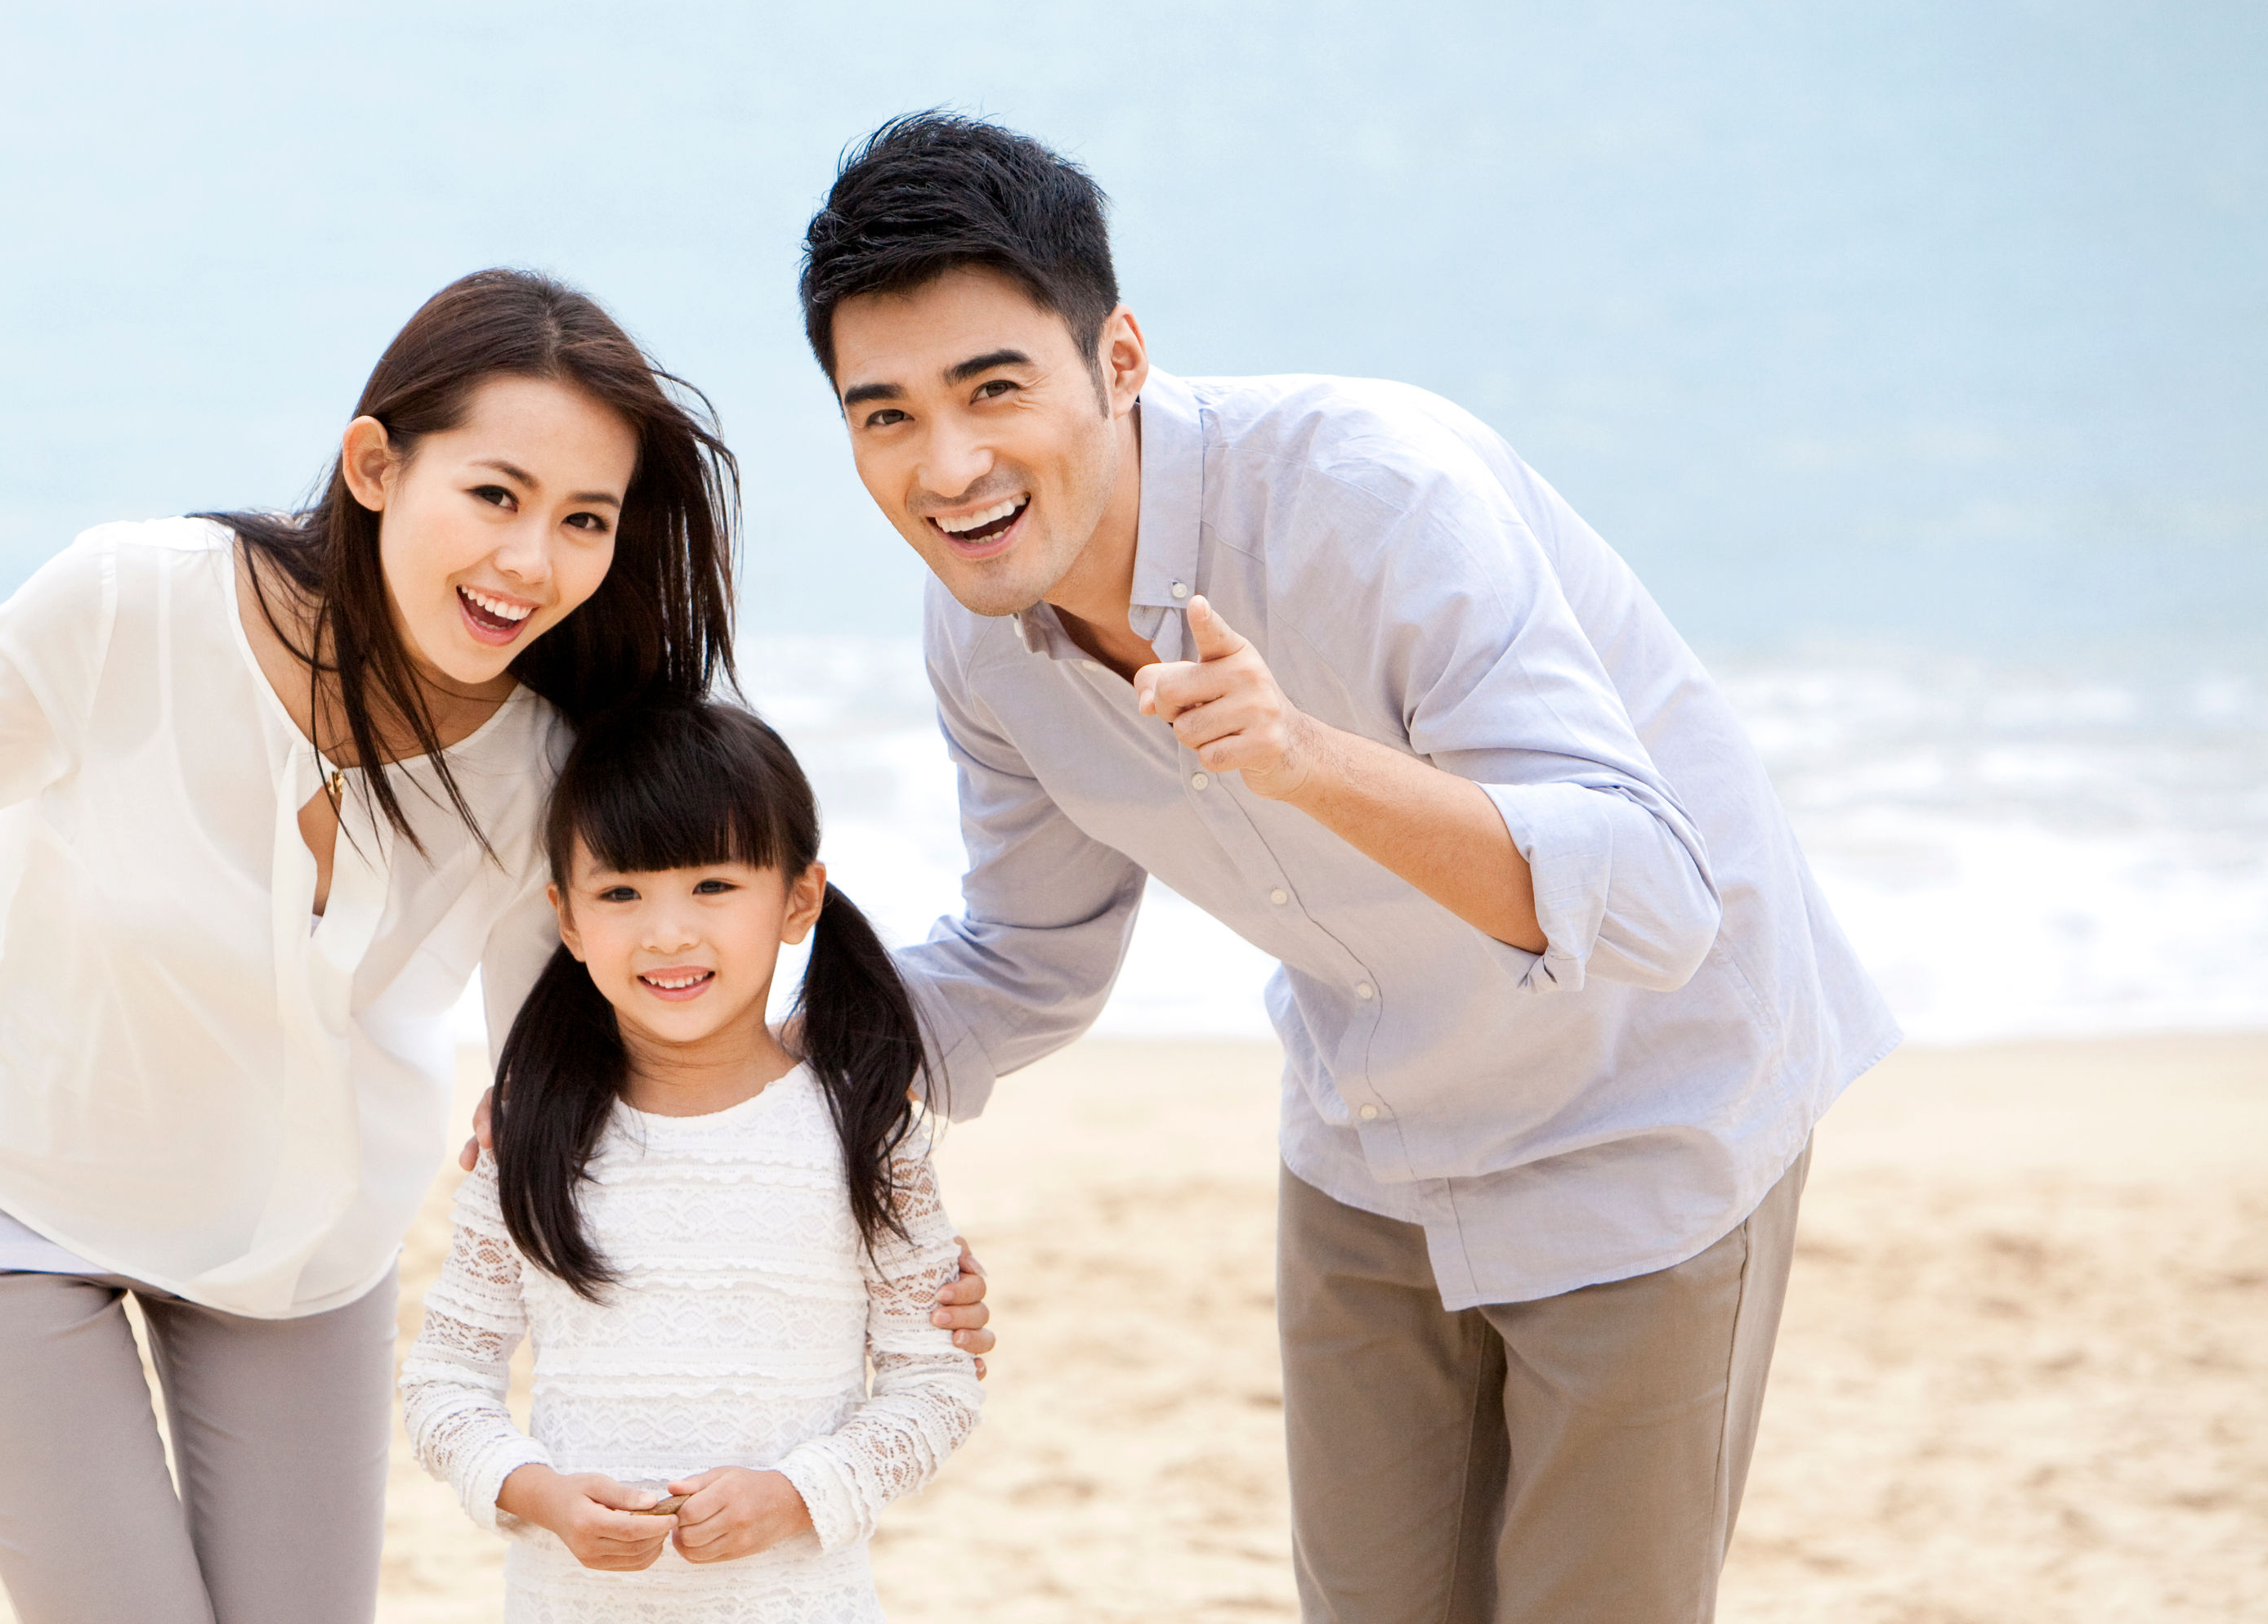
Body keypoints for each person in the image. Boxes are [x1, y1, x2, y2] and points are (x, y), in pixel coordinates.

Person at [0, 268, 993, 1624]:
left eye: (584, 520)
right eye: (495, 495)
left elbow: (598, 1065)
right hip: (3, 1197)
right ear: (377, 464)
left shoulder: (542, 761)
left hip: (295, 1246)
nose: (531, 560)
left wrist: (869, 1242)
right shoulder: (139, 601)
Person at [795, 114, 1899, 1622]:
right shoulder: (987, 639)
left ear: (1119, 358)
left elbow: (1655, 898)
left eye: (995, 389)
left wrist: (1298, 753)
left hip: (1648, 1108)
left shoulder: (1374, 495)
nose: (953, 465)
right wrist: (716, 1068)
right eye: (887, 417)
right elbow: (1023, 963)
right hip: (1372, 1132)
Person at [401, 701, 980, 1624]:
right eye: (622, 893)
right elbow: (442, 1383)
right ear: (569, 917)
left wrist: (797, 1495)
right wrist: (538, 1493)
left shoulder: (865, 1130)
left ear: (798, 900)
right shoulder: (532, 1135)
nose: (667, 933)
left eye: (713, 886)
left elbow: (935, 1386)